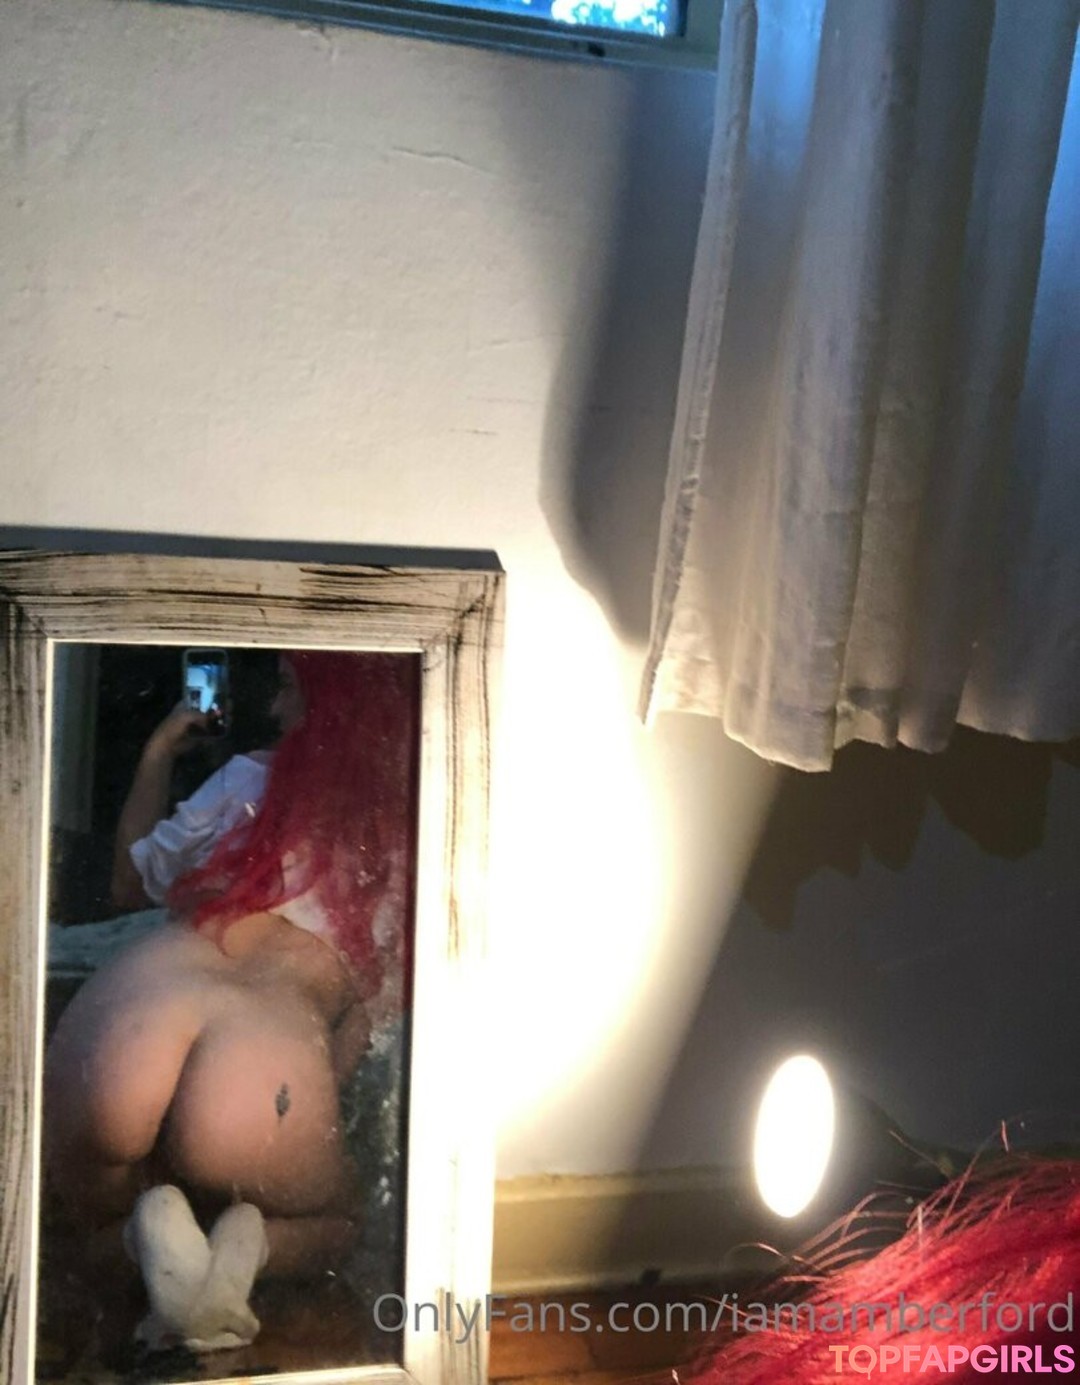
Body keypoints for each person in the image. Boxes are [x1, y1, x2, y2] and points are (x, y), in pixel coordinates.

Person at [44, 651, 417, 1352]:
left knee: (91, 1231)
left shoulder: (248, 776)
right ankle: (248, 1243)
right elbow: (368, 1019)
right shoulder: (408, 831)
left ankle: (140, 1234)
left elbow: (128, 883)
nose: (273, 709)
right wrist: (304, 1098)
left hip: (132, 1008)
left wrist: (159, 749)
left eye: (287, 689)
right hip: (266, 1045)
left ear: (334, 705)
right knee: (342, 1221)